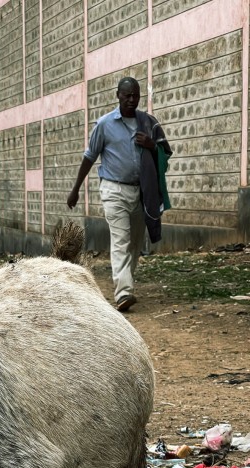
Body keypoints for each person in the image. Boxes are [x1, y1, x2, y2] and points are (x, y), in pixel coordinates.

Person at [67, 76, 172, 312]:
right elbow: (89, 157)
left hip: (141, 191)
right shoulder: (104, 124)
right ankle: (124, 292)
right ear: (118, 95)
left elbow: (165, 153)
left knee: (135, 243)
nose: (132, 100)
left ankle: (126, 285)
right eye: (127, 95)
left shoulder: (147, 122)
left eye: (136, 95)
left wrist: (151, 146)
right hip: (114, 189)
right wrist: (75, 189)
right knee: (121, 240)